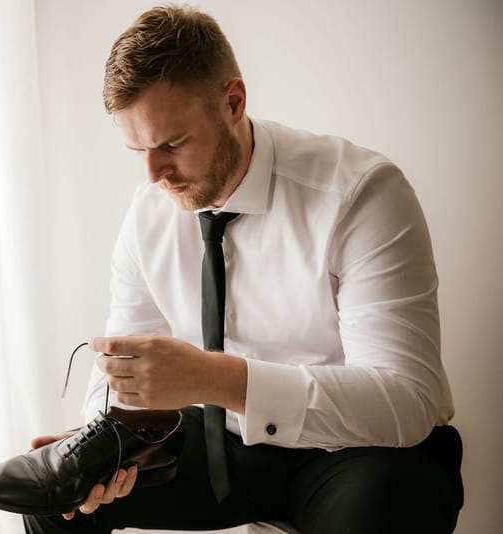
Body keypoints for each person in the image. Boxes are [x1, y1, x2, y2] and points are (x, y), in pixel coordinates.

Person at [25, 5, 463, 533]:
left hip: (364, 451)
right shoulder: (148, 212)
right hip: (220, 440)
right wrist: (100, 441)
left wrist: (217, 378)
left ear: (233, 102)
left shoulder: (362, 194)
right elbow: (125, 366)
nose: (154, 174)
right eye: (137, 149)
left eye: (171, 144)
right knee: (58, 503)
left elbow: (406, 401)